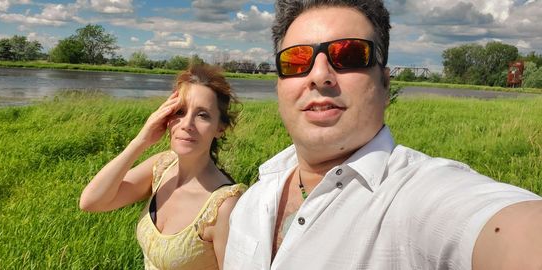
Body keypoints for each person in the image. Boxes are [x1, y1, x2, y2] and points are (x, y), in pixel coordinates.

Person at [224, 0, 542, 269]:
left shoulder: (416, 195)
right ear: (279, 86)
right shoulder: (253, 199)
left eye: (349, 55)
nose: (319, 76)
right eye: (297, 61)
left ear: (385, 84)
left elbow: (510, 230)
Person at [80, 64, 245, 270]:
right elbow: (91, 202)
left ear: (220, 128)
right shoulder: (162, 167)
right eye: (180, 112)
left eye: (202, 115)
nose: (186, 124)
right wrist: (141, 140)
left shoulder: (225, 206)